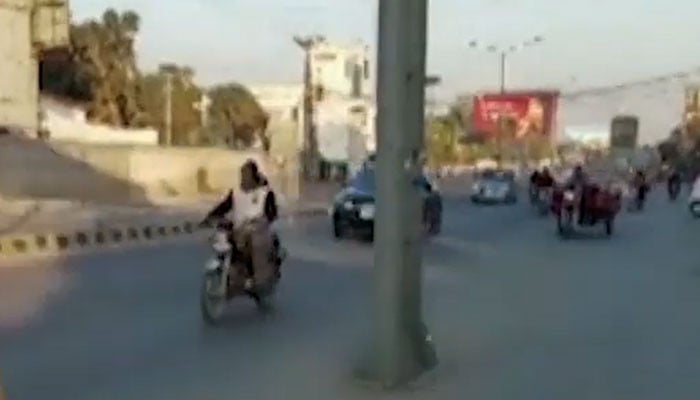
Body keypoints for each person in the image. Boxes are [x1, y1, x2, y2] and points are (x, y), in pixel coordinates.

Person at [203, 160, 279, 289]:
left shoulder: (265, 193)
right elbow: (225, 206)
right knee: (224, 239)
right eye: (242, 174)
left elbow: (272, 214)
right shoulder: (236, 192)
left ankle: (256, 279)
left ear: (254, 176)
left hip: (257, 231)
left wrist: (260, 222)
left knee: (254, 244)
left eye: (246, 175)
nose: (243, 178)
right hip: (239, 229)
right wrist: (210, 217)